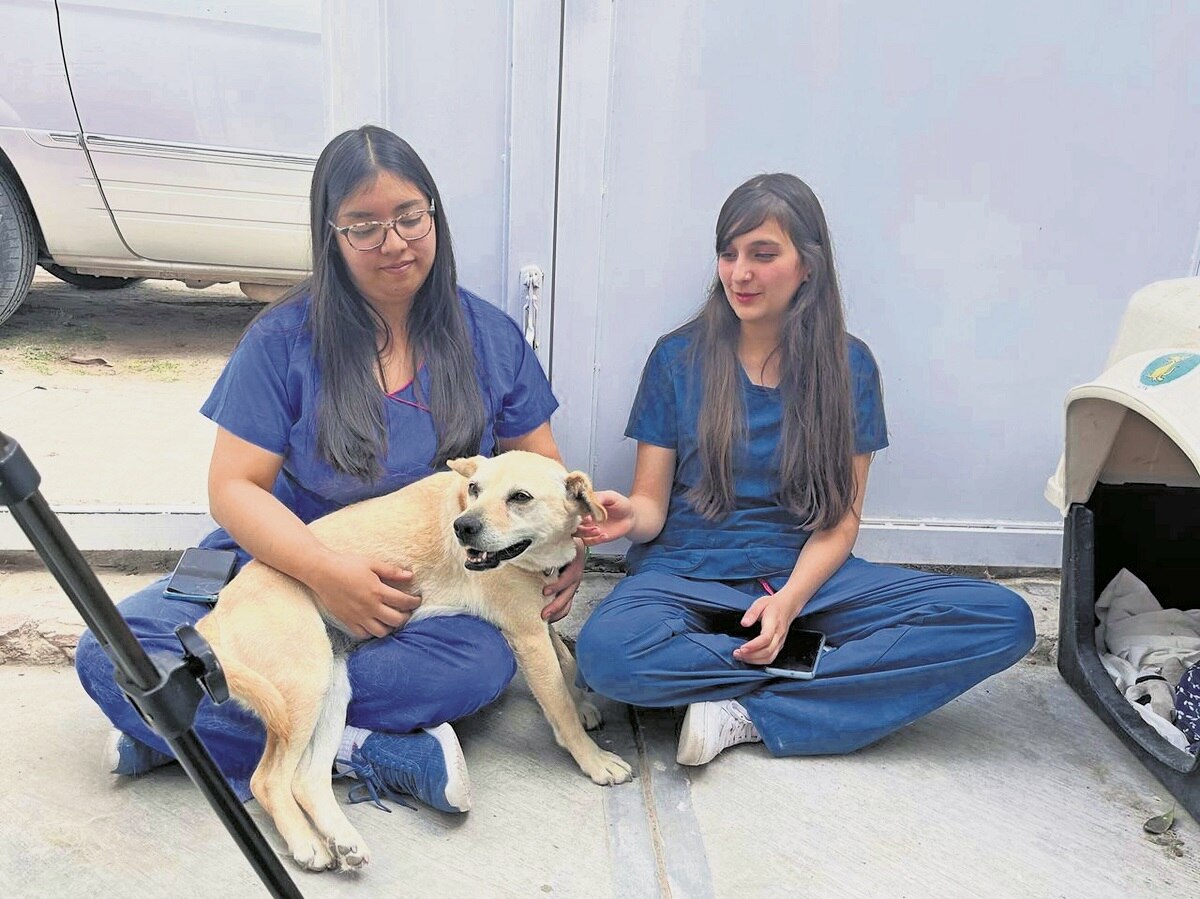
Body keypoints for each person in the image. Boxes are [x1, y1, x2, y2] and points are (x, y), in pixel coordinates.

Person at [74, 125, 585, 813]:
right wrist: (324, 571)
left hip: (429, 593)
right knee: (113, 650)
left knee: (482, 665)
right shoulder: (284, 339)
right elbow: (233, 487)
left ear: (434, 215)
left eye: (409, 217)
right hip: (284, 568)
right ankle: (370, 751)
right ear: (330, 234)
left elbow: (543, 469)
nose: (395, 242)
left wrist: (560, 548)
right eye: (364, 226)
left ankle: (180, 736)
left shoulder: (488, 336)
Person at [574, 173, 1035, 766]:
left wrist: (789, 602)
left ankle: (743, 710)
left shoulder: (850, 367)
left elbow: (841, 523)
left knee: (1001, 618)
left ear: (808, 265)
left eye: (763, 254)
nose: (740, 273)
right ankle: (820, 678)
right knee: (609, 656)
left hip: (806, 579)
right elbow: (652, 506)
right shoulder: (677, 358)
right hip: (684, 573)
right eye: (729, 253)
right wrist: (626, 516)